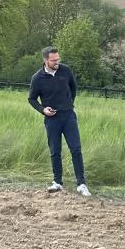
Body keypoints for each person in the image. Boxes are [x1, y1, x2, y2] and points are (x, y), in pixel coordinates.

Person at [27, 46, 89, 196]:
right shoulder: (37, 78)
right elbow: (32, 99)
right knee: (55, 151)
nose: (57, 62)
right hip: (51, 120)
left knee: (76, 149)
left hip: (68, 116)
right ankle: (57, 182)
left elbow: (73, 89)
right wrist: (43, 110)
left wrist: (68, 104)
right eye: (53, 60)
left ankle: (81, 184)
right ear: (45, 60)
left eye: (58, 59)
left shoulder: (66, 71)